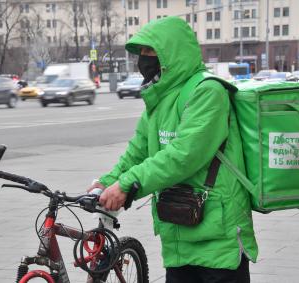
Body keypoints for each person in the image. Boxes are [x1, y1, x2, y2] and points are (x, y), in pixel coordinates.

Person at [90, 16, 258, 283]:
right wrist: (106, 182)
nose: (144, 59)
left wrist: (126, 185)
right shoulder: (159, 98)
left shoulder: (208, 91)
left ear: (172, 51)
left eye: (150, 51)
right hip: (180, 231)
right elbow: (138, 152)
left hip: (219, 235)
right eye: (141, 52)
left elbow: (184, 154)